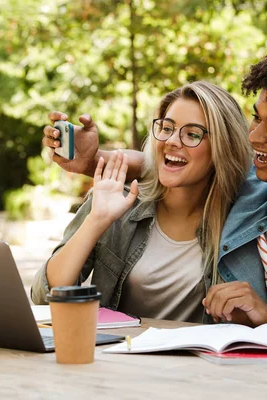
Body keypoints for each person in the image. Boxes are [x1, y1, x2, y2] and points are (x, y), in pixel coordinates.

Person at [41, 40, 267, 343]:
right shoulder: (261, 192)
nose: (255, 137)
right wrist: (96, 162)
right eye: (256, 119)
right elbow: (186, 163)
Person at [31, 81, 253, 323]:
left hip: (193, 360)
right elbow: (44, 295)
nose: (172, 141)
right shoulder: (117, 200)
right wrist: (97, 220)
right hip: (118, 354)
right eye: (167, 128)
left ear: (222, 147)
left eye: (192, 134)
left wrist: (100, 160)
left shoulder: (243, 217)